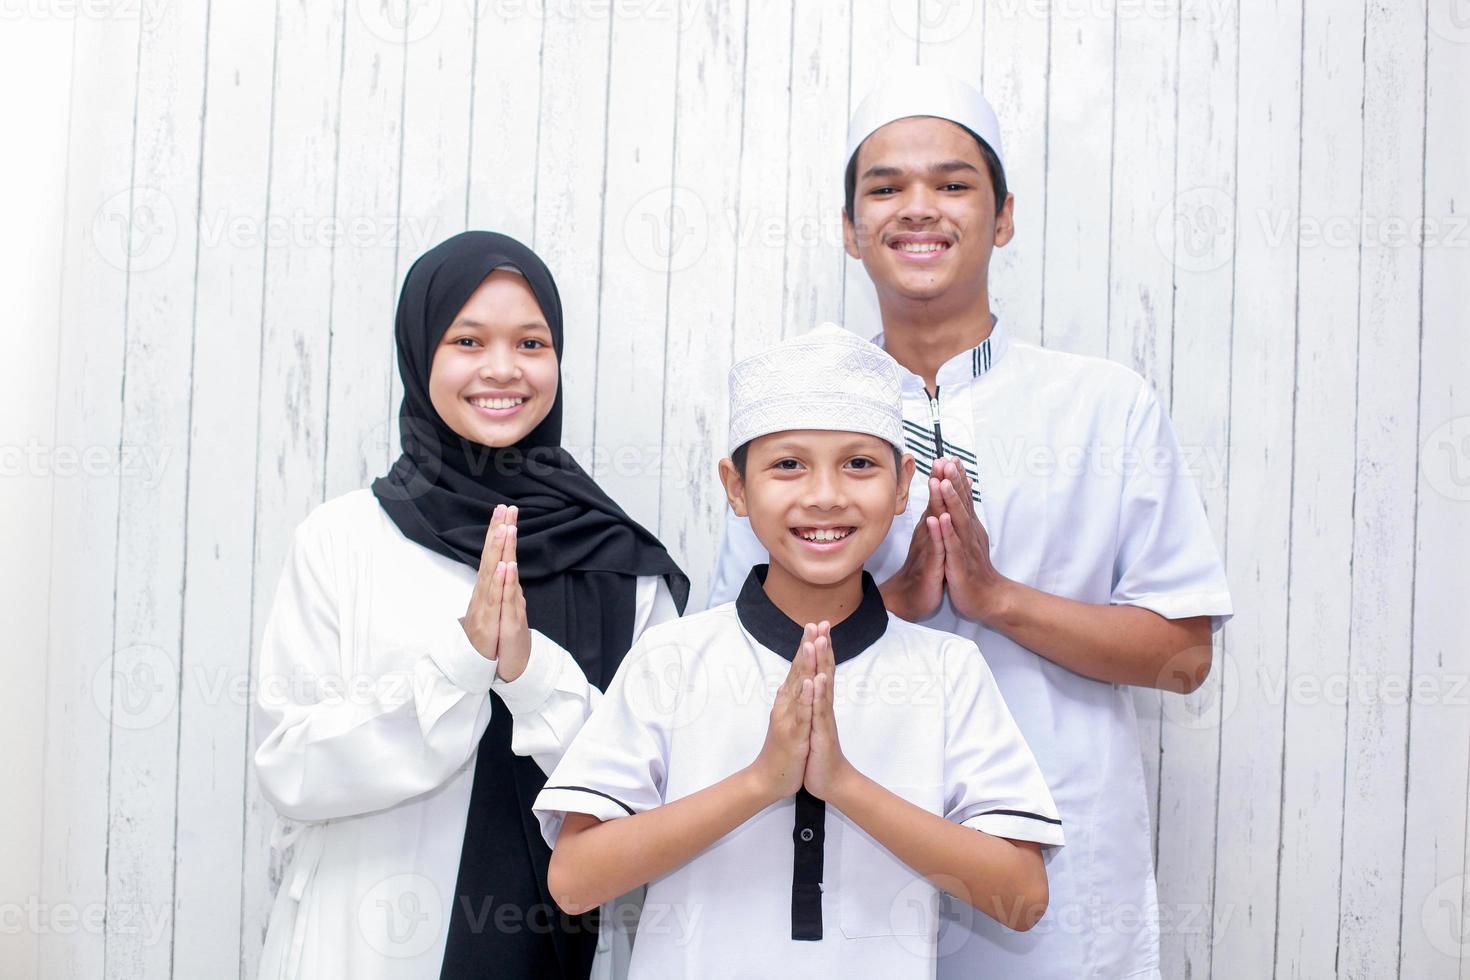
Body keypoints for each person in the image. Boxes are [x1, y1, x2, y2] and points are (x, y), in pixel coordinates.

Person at [709, 66, 1234, 979]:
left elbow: (1184, 658)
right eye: (887, 188)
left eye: (953, 184)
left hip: (1049, 861)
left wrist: (995, 599)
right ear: (849, 228)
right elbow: (722, 671)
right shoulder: (790, 420)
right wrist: (895, 607)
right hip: (835, 855)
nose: (920, 209)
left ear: (1005, 216)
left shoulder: (1104, 406)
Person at [532, 323, 1063, 979]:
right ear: (735, 485)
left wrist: (842, 784)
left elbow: (1022, 896)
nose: (824, 495)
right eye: (788, 464)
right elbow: (575, 882)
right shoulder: (671, 660)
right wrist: (761, 782)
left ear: (902, 487)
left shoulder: (948, 672)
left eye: (859, 464)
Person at [253, 231, 689, 980]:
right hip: (360, 947)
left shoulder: (620, 566)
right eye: (467, 339)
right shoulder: (345, 538)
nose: (502, 369)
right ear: (422, 354)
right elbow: (291, 770)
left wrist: (530, 675)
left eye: (530, 342)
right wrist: (459, 667)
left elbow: (658, 801)